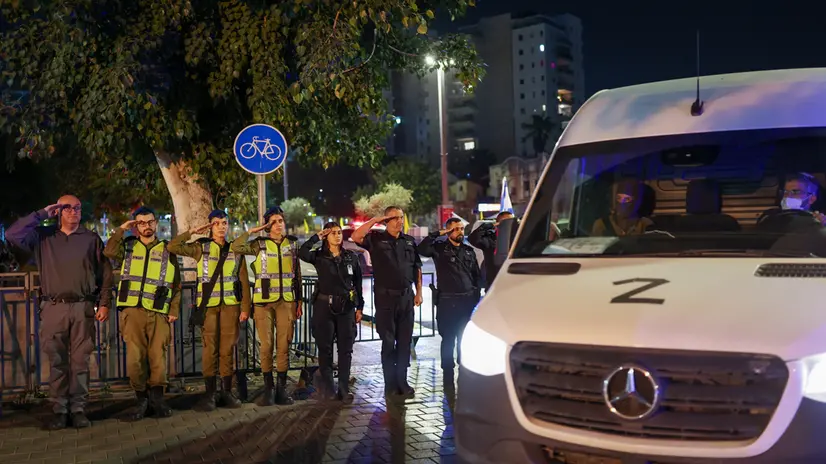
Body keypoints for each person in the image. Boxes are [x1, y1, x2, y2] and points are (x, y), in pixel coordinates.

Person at [6, 196, 113, 430]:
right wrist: (42, 213)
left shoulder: (90, 239)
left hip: (83, 307)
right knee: (57, 361)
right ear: (58, 211)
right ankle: (60, 409)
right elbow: (12, 235)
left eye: (77, 207)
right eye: (67, 208)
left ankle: (78, 409)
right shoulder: (44, 237)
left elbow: (105, 273)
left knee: (80, 361)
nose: (74, 211)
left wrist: (104, 302)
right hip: (53, 307)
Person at [168, 209, 251, 411]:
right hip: (208, 308)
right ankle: (209, 394)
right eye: (216, 223)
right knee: (209, 351)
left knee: (227, 351)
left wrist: (245, 307)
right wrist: (194, 231)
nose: (221, 226)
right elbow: (173, 246)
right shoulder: (200, 248)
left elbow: (243, 280)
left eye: (224, 223)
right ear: (210, 226)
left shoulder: (235, 249)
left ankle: (226, 392)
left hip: (231, 306)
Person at [104, 206, 181, 420]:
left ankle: (157, 400)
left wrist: (173, 309)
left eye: (150, 222)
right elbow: (109, 251)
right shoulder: (127, 247)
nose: (146, 226)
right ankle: (141, 400)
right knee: (135, 360)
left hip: (159, 313)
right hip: (132, 312)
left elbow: (177, 284)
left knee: (158, 358)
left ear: (156, 223)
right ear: (135, 225)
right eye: (141, 222)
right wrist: (121, 229)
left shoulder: (169, 249)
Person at [230, 206, 301, 406]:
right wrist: (253, 231)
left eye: (281, 221)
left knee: (284, 346)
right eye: (274, 222)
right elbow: (235, 247)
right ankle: (268, 389)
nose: (279, 225)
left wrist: (299, 301)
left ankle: (281, 390)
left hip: (286, 301)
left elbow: (297, 275)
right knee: (267, 346)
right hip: (263, 303)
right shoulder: (258, 244)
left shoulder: (292, 245)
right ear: (267, 225)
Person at [352, 206, 422, 398]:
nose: (400, 221)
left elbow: (417, 267)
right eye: (395, 218)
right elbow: (356, 236)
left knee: (404, 342)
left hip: (406, 297)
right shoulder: (376, 239)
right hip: (385, 298)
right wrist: (375, 219)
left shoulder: (409, 241)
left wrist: (419, 292)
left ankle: (403, 382)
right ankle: (390, 383)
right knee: (389, 342)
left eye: (401, 217)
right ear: (386, 221)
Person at [298, 222, 364, 403]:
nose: (337, 235)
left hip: (346, 308)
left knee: (345, 350)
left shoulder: (351, 257)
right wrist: (316, 237)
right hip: (324, 307)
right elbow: (302, 252)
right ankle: (328, 389)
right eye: (333, 233)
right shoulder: (319, 256)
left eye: (339, 232)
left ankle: (343, 389)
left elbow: (357, 284)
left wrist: (360, 307)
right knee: (325, 350)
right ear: (326, 236)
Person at [417, 218, 481, 383]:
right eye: (455, 229)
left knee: (464, 338)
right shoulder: (439, 249)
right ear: (448, 232)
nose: (460, 231)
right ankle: (447, 372)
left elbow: (476, 275)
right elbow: (422, 249)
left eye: (461, 228)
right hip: (447, 302)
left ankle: (464, 369)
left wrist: (477, 294)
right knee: (448, 338)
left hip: (467, 302)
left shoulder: (468, 251)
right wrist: (438, 234)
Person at [468, 211, 514, 291]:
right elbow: (473, 239)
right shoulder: (489, 239)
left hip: (513, 283)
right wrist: (489, 226)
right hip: (494, 285)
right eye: (506, 222)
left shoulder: (517, 239)